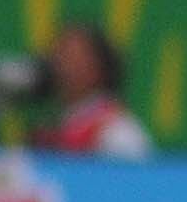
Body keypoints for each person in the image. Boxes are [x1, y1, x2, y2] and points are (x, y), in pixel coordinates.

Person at [30, 23, 151, 159]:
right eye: (57, 54)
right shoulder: (53, 126)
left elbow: (129, 179)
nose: (59, 65)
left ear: (99, 68)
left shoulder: (118, 132)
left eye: (71, 57)